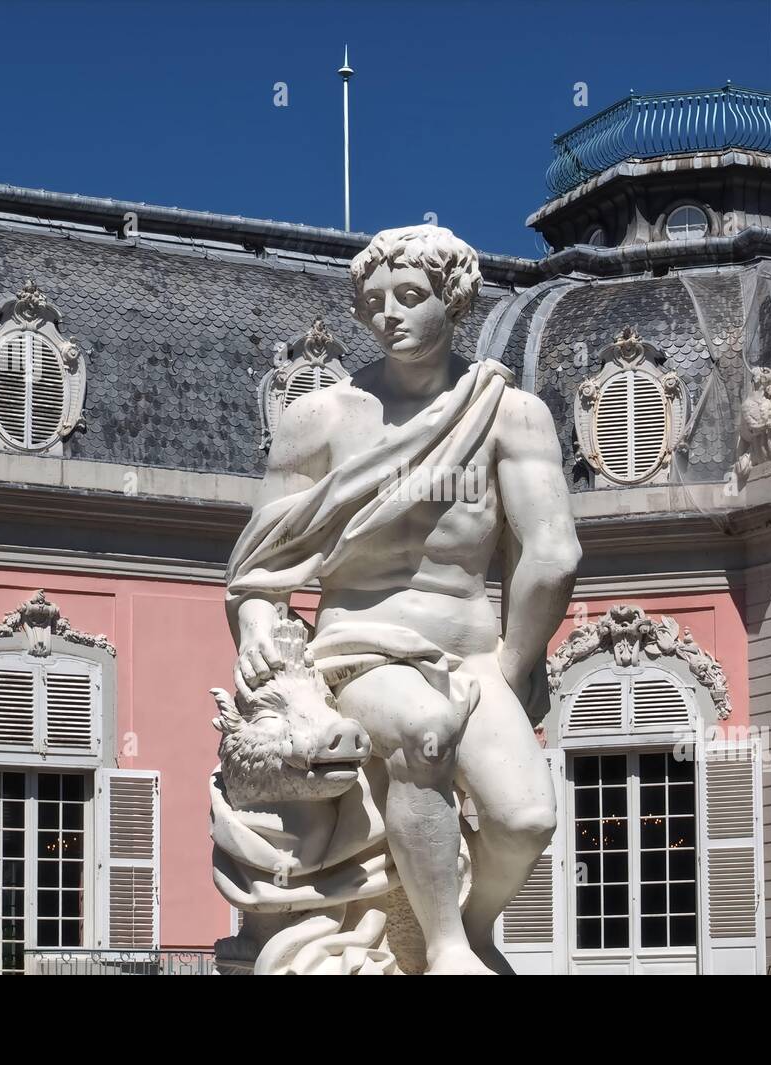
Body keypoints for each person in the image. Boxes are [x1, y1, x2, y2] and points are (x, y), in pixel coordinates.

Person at [225, 224, 581, 973]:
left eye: (411, 297)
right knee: (424, 731)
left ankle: (472, 929)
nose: (390, 314)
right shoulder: (320, 419)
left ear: (454, 304)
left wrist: (510, 668)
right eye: (375, 300)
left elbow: (552, 555)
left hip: (474, 653)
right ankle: (447, 949)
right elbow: (261, 567)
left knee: (525, 818)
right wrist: (261, 632)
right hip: (358, 649)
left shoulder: (507, 414)